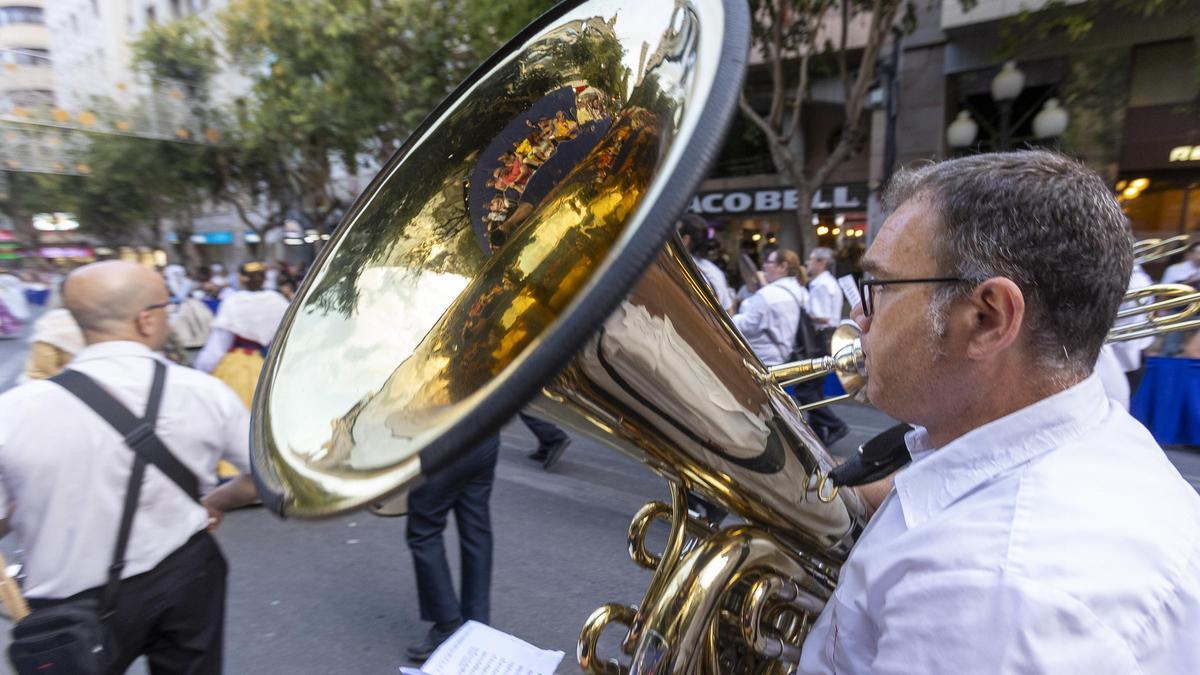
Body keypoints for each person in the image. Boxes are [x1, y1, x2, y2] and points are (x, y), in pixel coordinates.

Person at [798, 151, 1200, 673]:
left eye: (879, 288)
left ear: (988, 318)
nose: (859, 316)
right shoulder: (1088, 433)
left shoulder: (989, 593)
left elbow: (980, 568)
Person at [0, 260, 259, 674]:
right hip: (186, 572)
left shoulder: (12, 411)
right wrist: (215, 501)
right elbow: (260, 478)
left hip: (66, 597)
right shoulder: (204, 393)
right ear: (146, 320)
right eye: (166, 306)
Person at [405, 434, 500, 662]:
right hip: (486, 434)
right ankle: (477, 623)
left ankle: (447, 623)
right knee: (476, 531)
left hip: (443, 442)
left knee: (423, 531)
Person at [678, 215, 734, 311]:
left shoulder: (679, 266)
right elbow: (729, 311)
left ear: (685, 240)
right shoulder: (715, 272)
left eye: (675, 234)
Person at [21, 306, 85, 381]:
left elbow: (44, 361)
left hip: (46, 381)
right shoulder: (94, 324)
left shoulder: (52, 321)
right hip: (49, 381)